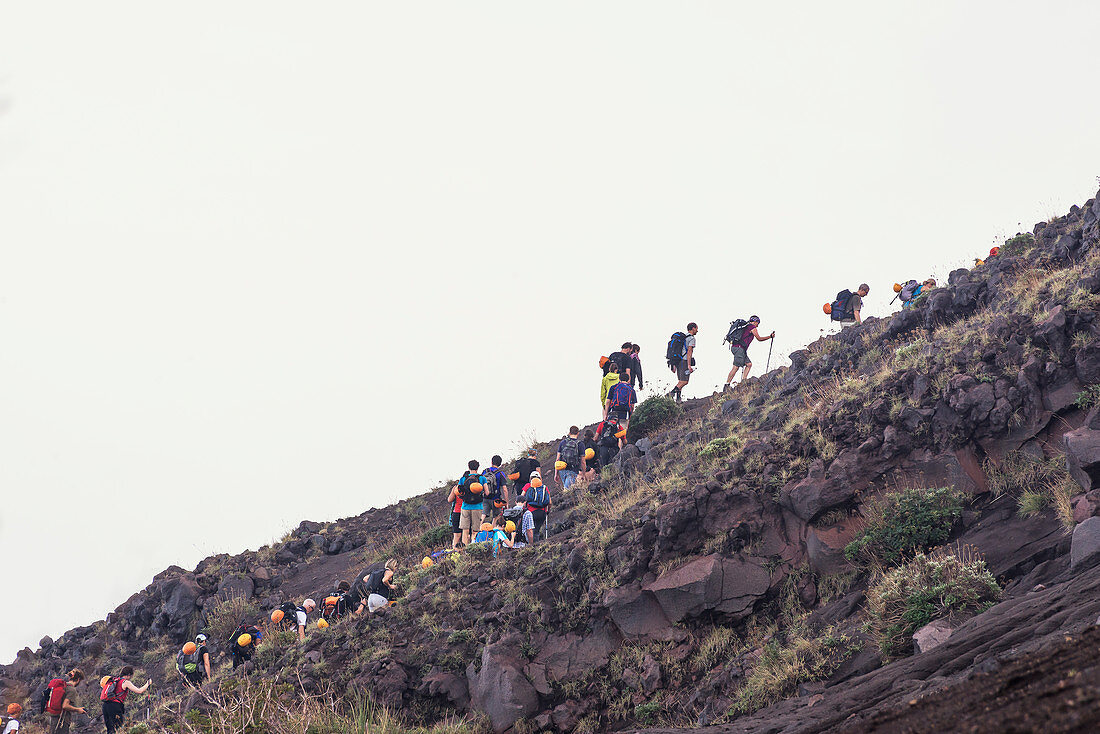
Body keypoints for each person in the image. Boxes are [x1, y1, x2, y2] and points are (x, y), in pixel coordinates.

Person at [723, 316, 775, 391]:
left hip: (739, 348)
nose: (758, 325)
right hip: (739, 348)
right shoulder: (751, 327)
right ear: (755, 321)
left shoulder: (746, 326)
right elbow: (759, 338)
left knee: (749, 364)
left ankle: (743, 381)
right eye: (758, 323)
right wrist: (770, 337)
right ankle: (727, 385)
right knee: (736, 367)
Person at [101, 667, 150, 734]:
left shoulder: (115, 680)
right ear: (128, 675)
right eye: (131, 676)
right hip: (115, 706)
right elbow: (139, 691)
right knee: (118, 728)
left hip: (105, 706)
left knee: (110, 730)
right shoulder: (125, 682)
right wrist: (148, 684)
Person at [454, 459, 485, 546]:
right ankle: (473, 547)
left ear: (468, 467)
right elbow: (487, 492)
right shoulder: (482, 478)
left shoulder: (463, 479)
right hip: (477, 507)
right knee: (475, 530)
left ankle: (465, 548)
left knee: (465, 529)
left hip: (465, 507)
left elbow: (458, 492)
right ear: (478, 468)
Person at [44, 669, 85, 734]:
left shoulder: (64, 686)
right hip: (62, 721)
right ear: (78, 680)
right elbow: (65, 706)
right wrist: (78, 710)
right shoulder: (71, 690)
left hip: (53, 717)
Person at [669, 322, 698, 403]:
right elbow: (689, 352)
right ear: (693, 328)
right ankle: (670, 394)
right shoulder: (691, 338)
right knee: (684, 381)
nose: (697, 330)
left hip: (679, 361)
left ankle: (678, 399)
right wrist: (689, 365)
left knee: (680, 380)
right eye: (696, 328)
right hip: (684, 361)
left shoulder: (683, 337)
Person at [523, 470, 551, 542]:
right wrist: (548, 510)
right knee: (536, 530)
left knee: (529, 530)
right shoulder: (544, 487)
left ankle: (531, 545)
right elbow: (549, 502)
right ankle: (536, 544)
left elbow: (522, 497)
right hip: (542, 512)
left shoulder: (528, 486)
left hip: (531, 512)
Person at [447, 482, 463, 549]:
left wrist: (453, 490)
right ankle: (466, 551)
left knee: (456, 535)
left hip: (456, 512)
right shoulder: (470, 487)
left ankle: (455, 550)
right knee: (467, 534)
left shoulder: (457, 488)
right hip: (466, 512)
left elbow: (449, 500)